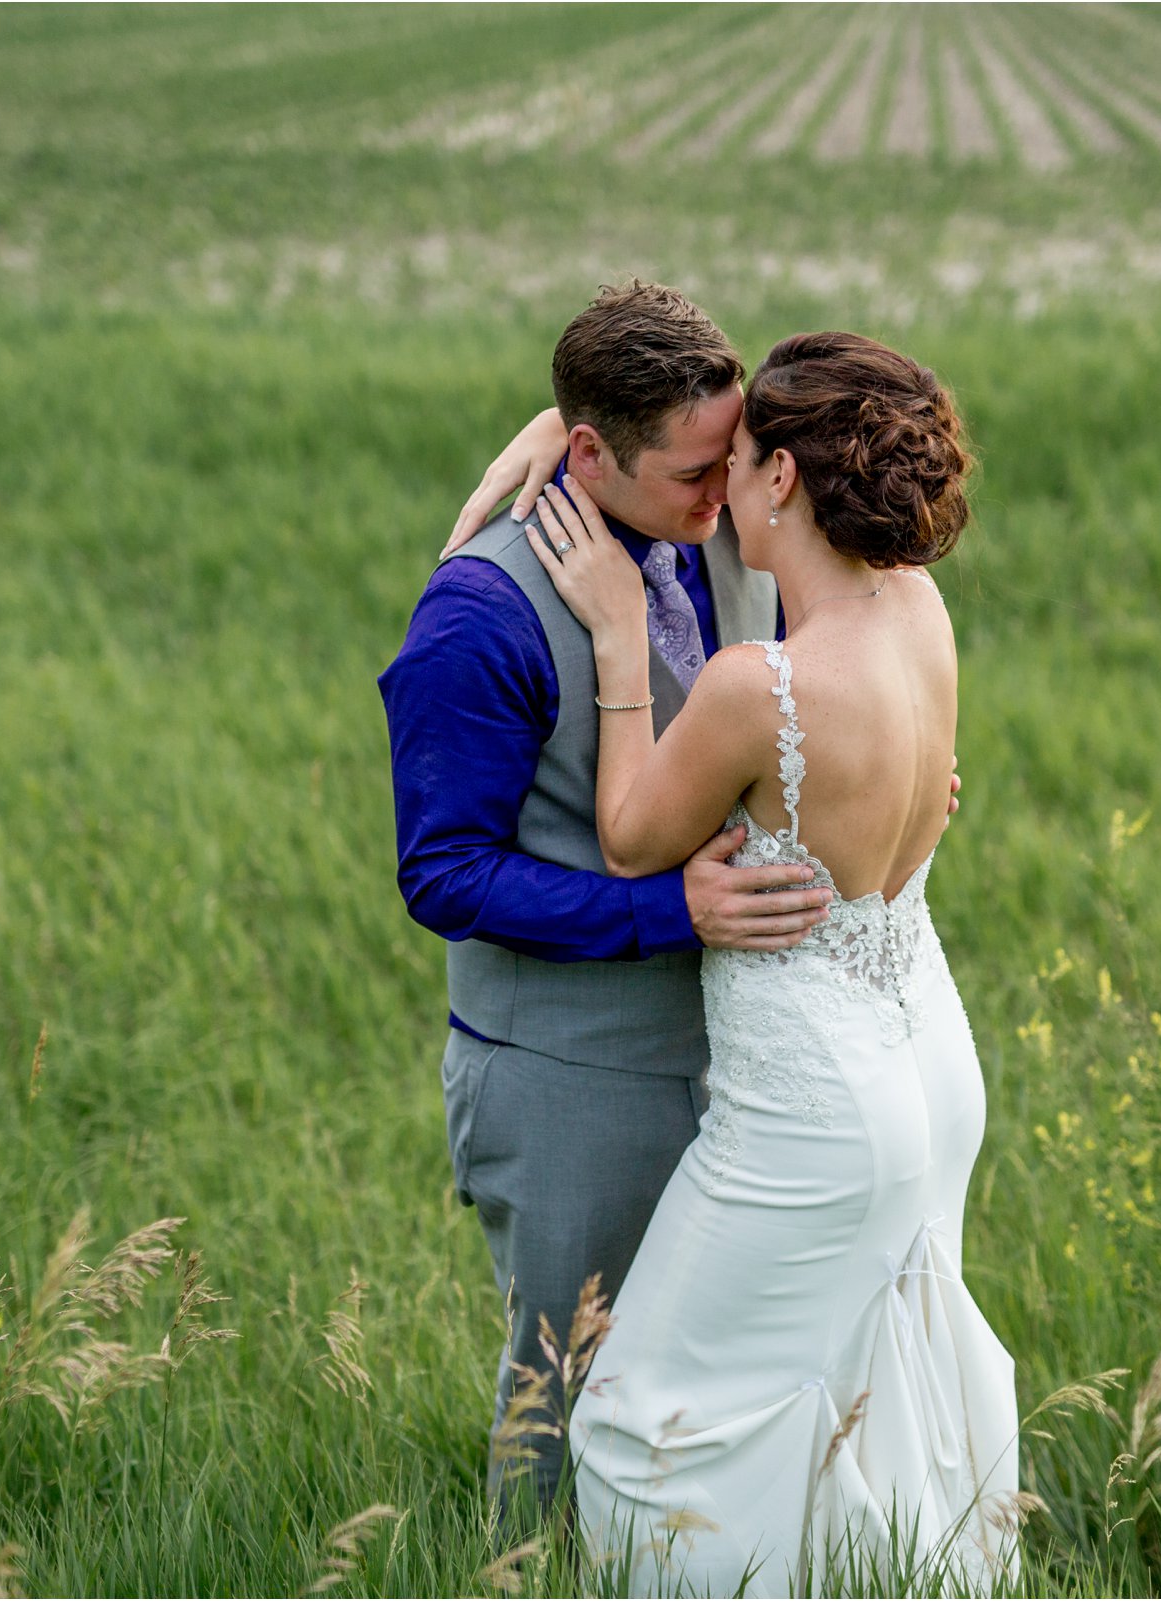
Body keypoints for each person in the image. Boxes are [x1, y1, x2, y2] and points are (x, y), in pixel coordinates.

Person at [511, 331, 1020, 1596]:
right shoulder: (915, 606)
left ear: (782, 476)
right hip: (925, 1059)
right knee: (855, 1377)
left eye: (731, 460)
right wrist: (552, 431)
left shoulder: (757, 686)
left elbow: (631, 835)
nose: (710, 489)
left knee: (641, 1422)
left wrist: (625, 639)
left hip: (809, 1112)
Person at [380, 282, 861, 1516]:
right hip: (569, 1076)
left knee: (716, 1385)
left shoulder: (719, 510)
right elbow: (442, 874)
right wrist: (667, 915)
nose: (729, 497)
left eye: (731, 461)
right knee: (567, 1390)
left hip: (752, 1054)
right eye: (694, 476)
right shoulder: (476, 618)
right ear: (590, 450)